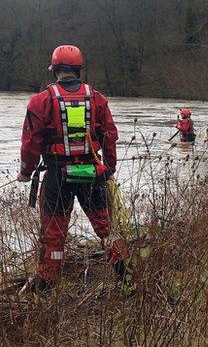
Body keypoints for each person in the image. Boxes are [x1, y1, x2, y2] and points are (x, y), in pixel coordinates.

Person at [17, 45, 129, 292]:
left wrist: (26, 172)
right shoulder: (97, 99)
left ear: (54, 69)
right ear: (79, 69)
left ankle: (46, 285)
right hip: (93, 174)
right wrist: (109, 167)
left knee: (54, 233)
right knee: (106, 227)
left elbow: (30, 142)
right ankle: (127, 277)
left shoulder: (41, 101)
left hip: (57, 177)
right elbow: (110, 135)